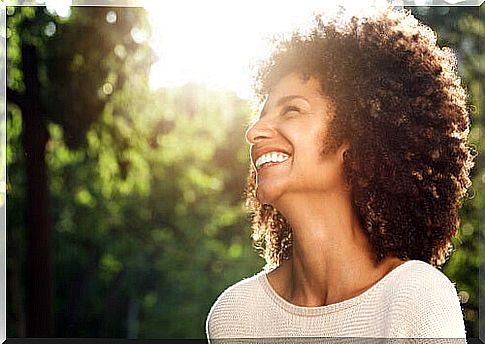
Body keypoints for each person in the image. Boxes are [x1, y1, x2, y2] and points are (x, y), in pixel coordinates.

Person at [206, 5, 474, 341]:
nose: (255, 130)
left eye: (291, 110)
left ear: (356, 136)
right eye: (261, 115)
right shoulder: (235, 315)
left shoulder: (416, 299)